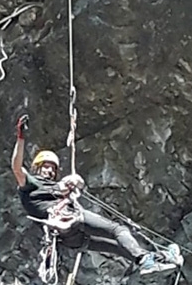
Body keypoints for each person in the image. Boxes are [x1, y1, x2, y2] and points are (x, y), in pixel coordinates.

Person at [11, 115, 181, 273]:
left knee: (116, 246)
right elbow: (17, 168)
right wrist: (20, 138)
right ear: (37, 168)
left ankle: (160, 259)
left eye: (52, 168)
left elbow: (70, 187)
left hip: (70, 237)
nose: (49, 170)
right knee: (118, 229)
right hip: (68, 220)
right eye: (46, 166)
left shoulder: (57, 187)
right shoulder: (31, 184)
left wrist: (75, 183)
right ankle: (145, 259)